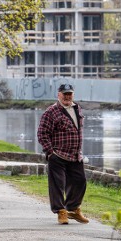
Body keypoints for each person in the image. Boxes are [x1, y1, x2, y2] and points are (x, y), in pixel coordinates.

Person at [37, 83, 89, 225]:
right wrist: (50, 152)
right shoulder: (51, 112)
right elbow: (42, 133)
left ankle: (72, 209)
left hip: (75, 155)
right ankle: (61, 211)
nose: (67, 96)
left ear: (73, 95)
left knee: (80, 181)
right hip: (58, 155)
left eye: (69, 94)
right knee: (58, 185)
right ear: (58, 94)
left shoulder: (77, 108)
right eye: (64, 94)